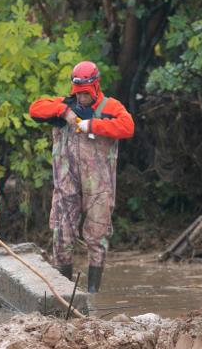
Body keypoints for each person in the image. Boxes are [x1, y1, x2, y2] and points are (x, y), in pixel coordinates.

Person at [28, 60, 134, 293]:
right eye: (79, 92)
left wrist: (93, 125)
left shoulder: (110, 107)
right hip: (66, 187)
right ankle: (65, 294)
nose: (82, 97)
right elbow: (35, 108)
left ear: (95, 86)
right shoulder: (63, 105)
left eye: (86, 93)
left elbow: (127, 127)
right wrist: (64, 111)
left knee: (98, 237)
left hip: (99, 188)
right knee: (62, 235)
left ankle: (93, 294)